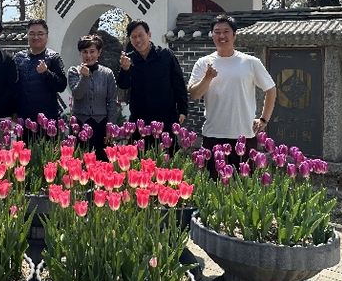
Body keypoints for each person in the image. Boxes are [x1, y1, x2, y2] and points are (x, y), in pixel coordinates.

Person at [188, 14, 276, 175]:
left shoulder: (250, 62)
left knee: (243, 185)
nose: (221, 36)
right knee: (213, 184)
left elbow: (271, 89)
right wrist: (207, 78)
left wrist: (264, 119)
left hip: (244, 135)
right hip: (213, 134)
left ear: (234, 35)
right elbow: (194, 94)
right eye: (217, 32)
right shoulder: (203, 63)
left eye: (226, 31)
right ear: (212, 35)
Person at [118, 20, 188, 149]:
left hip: (165, 117)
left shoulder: (166, 55)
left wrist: (183, 110)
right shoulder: (129, 59)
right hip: (140, 120)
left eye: (140, 35)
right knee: (139, 157)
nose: (137, 40)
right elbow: (123, 85)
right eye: (133, 37)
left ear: (149, 34)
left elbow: (178, 83)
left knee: (167, 156)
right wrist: (125, 69)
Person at [67, 34, 118, 160]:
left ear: (99, 52)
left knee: (101, 163)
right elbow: (77, 95)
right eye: (85, 52)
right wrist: (84, 77)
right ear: (80, 53)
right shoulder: (73, 71)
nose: (88, 55)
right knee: (80, 163)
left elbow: (112, 101)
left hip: (101, 125)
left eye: (92, 51)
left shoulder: (107, 73)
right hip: (79, 124)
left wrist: (110, 127)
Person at [13, 19, 67, 122]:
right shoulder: (19, 58)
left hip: (47, 118)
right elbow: (13, 87)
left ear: (46, 36)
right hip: (23, 117)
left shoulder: (53, 58)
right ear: (27, 36)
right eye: (32, 34)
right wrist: (13, 111)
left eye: (40, 34)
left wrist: (46, 73)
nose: (36, 37)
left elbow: (61, 86)